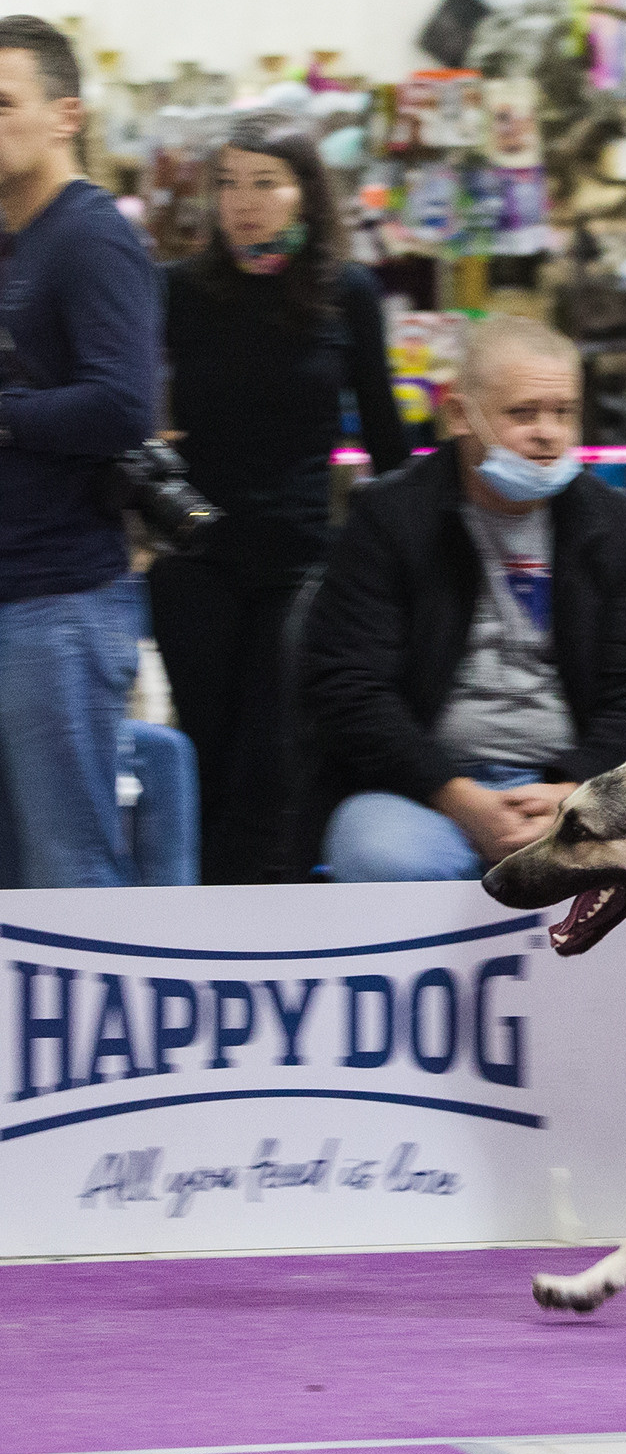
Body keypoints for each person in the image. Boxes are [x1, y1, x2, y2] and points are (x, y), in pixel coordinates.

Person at [302, 316, 626, 881]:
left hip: (582, 788)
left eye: (564, 412)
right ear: (459, 415)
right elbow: (348, 687)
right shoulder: (389, 518)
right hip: (424, 795)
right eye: (523, 413)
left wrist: (573, 794)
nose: (548, 433)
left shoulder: (614, 523)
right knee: (385, 858)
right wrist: (456, 797)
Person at [151, 116, 408, 884]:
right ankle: (194, 927)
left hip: (300, 568)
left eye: (265, 182)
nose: (244, 202)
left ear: (305, 193)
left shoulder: (346, 293)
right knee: (202, 752)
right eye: (228, 182)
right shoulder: (177, 290)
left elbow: (390, 443)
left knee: (277, 759)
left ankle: (269, 928)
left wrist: (395, 560)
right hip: (196, 561)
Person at [0, 15, 157, 888]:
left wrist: (8, 418)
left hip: (59, 606)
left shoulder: (90, 236)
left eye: (1, 103)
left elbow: (124, 406)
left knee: (71, 877)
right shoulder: (21, 240)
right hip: (20, 592)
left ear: (66, 113)